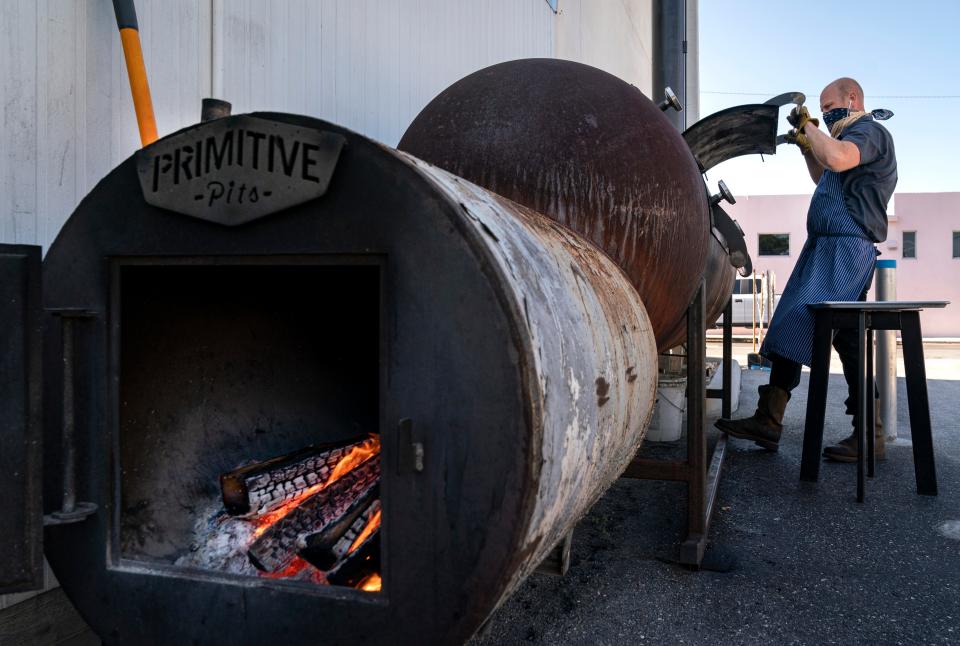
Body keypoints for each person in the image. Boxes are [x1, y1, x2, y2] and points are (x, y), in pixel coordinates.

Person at [715, 77, 897, 462]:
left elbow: (837, 159)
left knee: (845, 337)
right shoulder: (839, 138)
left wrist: (811, 129)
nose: (827, 113)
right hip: (824, 246)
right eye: (821, 109)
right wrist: (805, 148)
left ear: (852, 98)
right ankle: (769, 419)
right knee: (791, 323)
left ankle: (869, 433)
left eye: (830, 106)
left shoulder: (869, 131)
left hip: (846, 247)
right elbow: (823, 174)